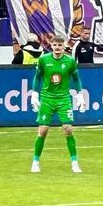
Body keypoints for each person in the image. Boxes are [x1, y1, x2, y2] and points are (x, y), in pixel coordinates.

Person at [30, 33, 83, 174]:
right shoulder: (43, 60)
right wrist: (34, 94)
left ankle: (74, 163)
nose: (57, 47)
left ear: (64, 46)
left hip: (63, 99)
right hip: (47, 98)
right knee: (43, 131)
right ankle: (35, 162)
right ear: (51, 46)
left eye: (60, 45)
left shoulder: (70, 61)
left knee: (68, 129)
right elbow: (37, 77)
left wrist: (80, 95)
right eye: (55, 45)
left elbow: (76, 79)